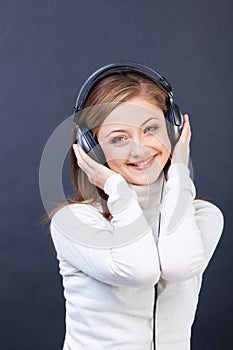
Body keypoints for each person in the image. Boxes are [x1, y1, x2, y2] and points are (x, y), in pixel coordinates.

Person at [50, 62, 224, 350]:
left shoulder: (203, 217)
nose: (139, 149)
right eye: (119, 138)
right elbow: (139, 270)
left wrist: (179, 170)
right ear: (92, 149)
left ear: (174, 128)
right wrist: (118, 190)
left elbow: (178, 266)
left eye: (151, 128)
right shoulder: (74, 222)